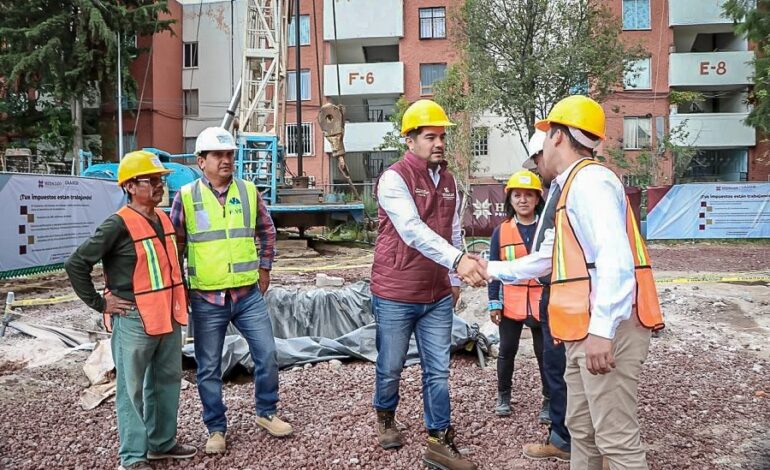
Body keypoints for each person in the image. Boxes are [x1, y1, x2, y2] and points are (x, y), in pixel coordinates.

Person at [484, 95, 665, 470]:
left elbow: (615, 261)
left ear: (559, 137)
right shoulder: (573, 188)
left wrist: (601, 331)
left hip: (606, 329)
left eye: (546, 136)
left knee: (615, 437)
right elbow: (550, 257)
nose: (542, 150)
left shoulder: (591, 183)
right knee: (582, 428)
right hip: (584, 331)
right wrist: (490, 270)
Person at [370, 99, 485, 470]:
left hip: (436, 293)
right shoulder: (394, 179)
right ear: (410, 140)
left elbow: (451, 230)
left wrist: (452, 279)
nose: (438, 143)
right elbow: (412, 230)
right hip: (396, 292)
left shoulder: (449, 181)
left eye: (441, 137)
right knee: (390, 365)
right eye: (430, 136)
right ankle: (386, 415)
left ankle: (438, 438)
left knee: (438, 368)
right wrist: (457, 262)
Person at [66, 151, 197, 470]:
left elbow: (170, 264)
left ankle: (160, 443)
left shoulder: (163, 218)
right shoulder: (117, 225)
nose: (158, 185)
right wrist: (100, 303)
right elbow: (77, 264)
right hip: (133, 318)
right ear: (128, 186)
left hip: (167, 315)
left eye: (160, 180)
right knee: (132, 390)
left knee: (167, 381)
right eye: (150, 180)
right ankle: (133, 457)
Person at [170, 126, 292, 455]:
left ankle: (266, 412)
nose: (226, 160)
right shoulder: (186, 197)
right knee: (209, 367)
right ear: (201, 160)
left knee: (266, 354)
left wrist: (264, 269)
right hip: (207, 297)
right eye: (218, 155)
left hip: (247, 295)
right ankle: (215, 428)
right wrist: (179, 288)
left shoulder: (249, 192)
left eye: (229, 155)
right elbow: (176, 245)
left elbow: (267, 231)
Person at [486, 169, 550, 423]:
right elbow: (493, 268)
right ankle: (503, 396)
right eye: (517, 195)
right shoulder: (500, 232)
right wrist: (494, 302)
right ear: (510, 200)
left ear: (537, 199)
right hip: (511, 302)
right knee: (507, 351)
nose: (523, 200)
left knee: (544, 353)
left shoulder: (547, 230)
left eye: (528, 195)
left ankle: (548, 399)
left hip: (541, 302)